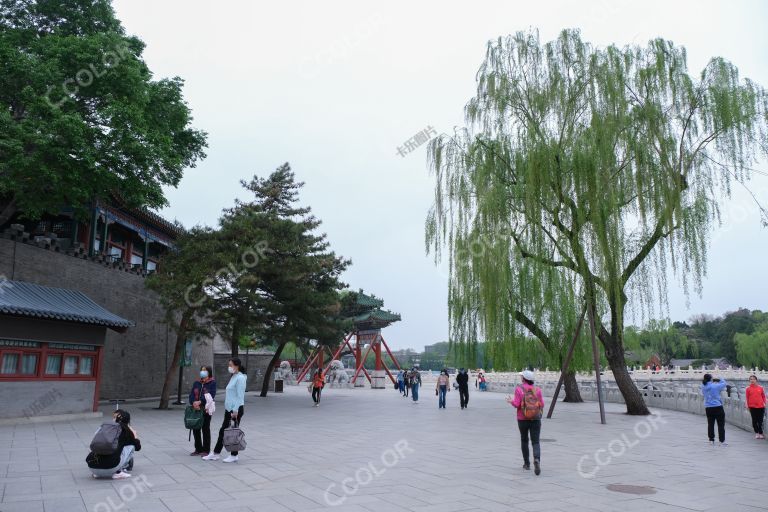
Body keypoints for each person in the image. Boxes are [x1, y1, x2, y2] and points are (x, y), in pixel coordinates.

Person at [204, 358, 246, 462]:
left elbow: (240, 396)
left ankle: (233, 455)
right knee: (224, 431)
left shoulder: (240, 378)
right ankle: (216, 453)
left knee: (233, 433)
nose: (229, 367)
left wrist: (235, 411)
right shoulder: (234, 376)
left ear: (237, 366)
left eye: (231, 365)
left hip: (235, 410)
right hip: (229, 409)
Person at [506, 370, 544, 475]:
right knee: (535, 441)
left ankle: (527, 464)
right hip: (536, 419)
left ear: (524, 378)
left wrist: (511, 401)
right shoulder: (537, 390)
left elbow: (517, 404)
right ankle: (537, 459)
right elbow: (542, 404)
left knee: (524, 440)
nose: (521, 377)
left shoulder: (519, 389)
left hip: (522, 419)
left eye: (521, 376)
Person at [86, 409, 141, 479]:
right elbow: (138, 447)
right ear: (127, 421)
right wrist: (135, 436)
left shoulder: (104, 427)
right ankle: (118, 472)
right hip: (111, 468)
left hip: (92, 467)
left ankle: (98, 472)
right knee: (131, 446)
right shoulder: (126, 431)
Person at [189, 365, 217, 456]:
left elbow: (211, 395)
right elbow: (191, 394)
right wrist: (193, 402)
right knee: (195, 429)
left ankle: (206, 450)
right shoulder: (196, 383)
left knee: (205, 429)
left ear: (209, 372)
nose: (202, 372)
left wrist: (200, 402)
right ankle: (198, 448)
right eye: (201, 370)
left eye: (204, 370)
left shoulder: (212, 383)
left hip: (206, 409)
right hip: (196, 409)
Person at [701, 373, 728, 446]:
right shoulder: (715, 386)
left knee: (710, 424)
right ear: (711, 378)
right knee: (721, 425)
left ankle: (711, 440)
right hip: (717, 407)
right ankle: (722, 441)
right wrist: (720, 377)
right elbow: (724, 383)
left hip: (708, 407)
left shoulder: (703, 386)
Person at [745, 374, 767, 439]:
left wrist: (765, 403)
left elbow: (763, 396)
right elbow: (747, 397)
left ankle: (761, 433)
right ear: (749, 380)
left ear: (756, 380)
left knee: (760, 421)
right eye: (751, 379)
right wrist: (747, 405)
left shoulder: (761, 388)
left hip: (761, 406)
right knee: (754, 421)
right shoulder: (748, 389)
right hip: (752, 406)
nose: (752, 380)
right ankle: (756, 433)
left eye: (753, 379)